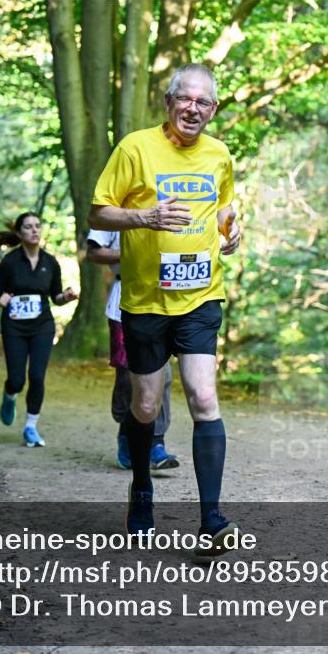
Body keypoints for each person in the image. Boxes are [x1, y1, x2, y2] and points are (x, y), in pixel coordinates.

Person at [88, 63, 242, 558]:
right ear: (168, 101)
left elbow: (223, 207)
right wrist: (144, 216)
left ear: (213, 109)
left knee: (202, 397)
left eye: (205, 103)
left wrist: (231, 231)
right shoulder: (135, 148)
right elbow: (98, 212)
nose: (194, 109)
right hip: (145, 300)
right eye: (186, 99)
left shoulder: (219, 154)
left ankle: (213, 521)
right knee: (147, 406)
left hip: (200, 296)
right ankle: (141, 491)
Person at [86, 228, 180, 470]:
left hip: (163, 297)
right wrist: (129, 253)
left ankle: (157, 444)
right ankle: (127, 430)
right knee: (129, 374)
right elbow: (94, 252)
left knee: (163, 374)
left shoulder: (168, 200)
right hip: (124, 299)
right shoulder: (114, 207)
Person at [0, 212, 78, 447]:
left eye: (38, 226)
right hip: (14, 328)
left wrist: (66, 297)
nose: (34, 230)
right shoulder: (9, 262)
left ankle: (31, 427)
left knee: (37, 376)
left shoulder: (50, 262)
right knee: (17, 380)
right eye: (28, 227)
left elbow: (56, 297)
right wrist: (1, 301)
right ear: (19, 233)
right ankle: (9, 396)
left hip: (42, 326)